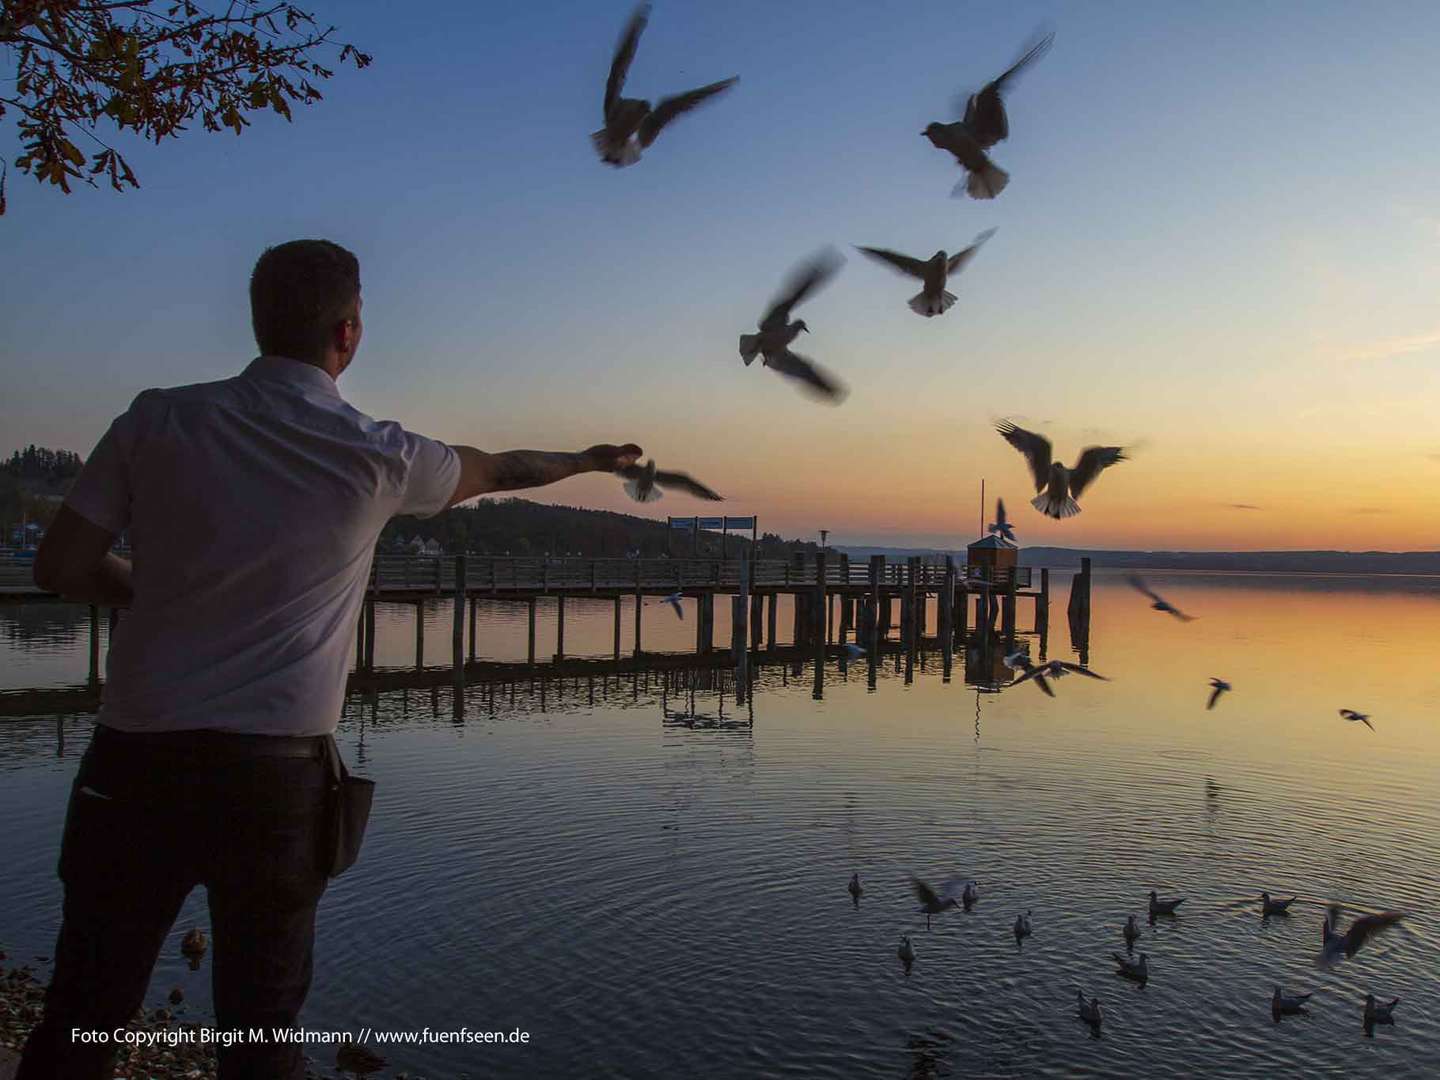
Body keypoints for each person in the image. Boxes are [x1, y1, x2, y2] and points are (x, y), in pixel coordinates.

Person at [18, 239, 640, 1080]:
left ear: (257, 320)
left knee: (83, 1012)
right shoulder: (378, 454)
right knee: (263, 1032)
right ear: (348, 334)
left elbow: (59, 566)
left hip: (134, 766)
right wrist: (588, 461)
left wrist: (159, 593)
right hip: (272, 782)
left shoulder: (156, 419)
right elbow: (504, 469)